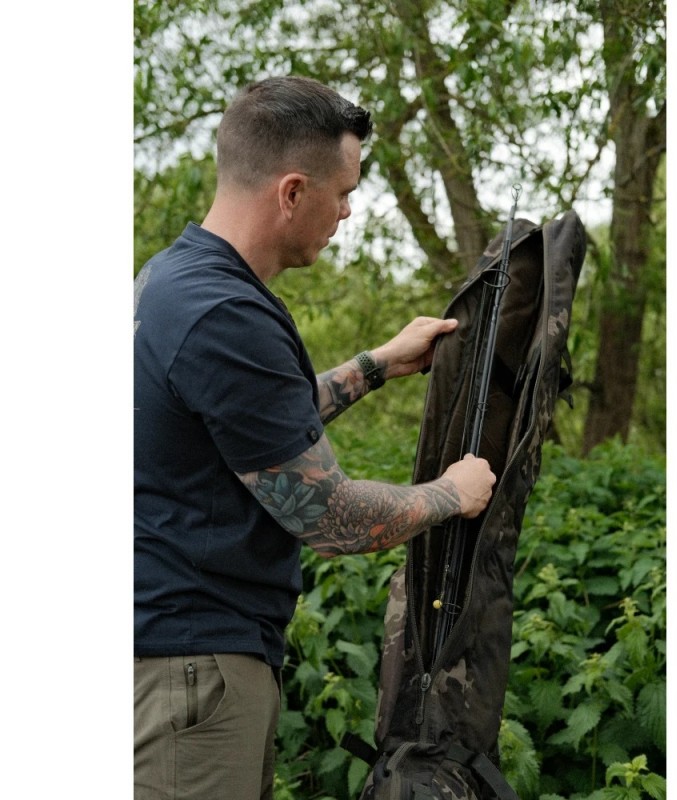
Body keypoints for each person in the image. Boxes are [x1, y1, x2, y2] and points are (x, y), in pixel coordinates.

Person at [133, 75, 496, 800]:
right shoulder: (227, 316)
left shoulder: (171, 281)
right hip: (192, 674)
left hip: (174, 659)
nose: (348, 212)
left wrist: (377, 366)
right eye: (343, 193)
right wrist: (451, 494)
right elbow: (329, 518)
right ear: (293, 192)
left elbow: (255, 430)